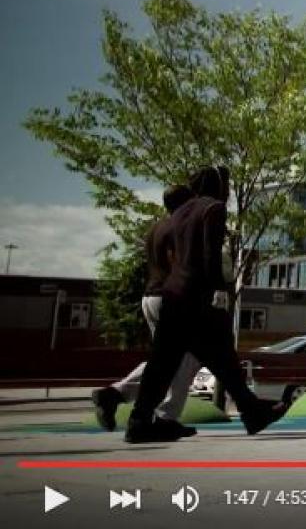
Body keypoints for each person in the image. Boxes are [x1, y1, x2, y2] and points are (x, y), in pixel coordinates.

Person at [125, 166, 288, 443]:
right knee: (217, 355)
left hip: (172, 295)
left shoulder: (179, 212)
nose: (227, 191)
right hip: (195, 295)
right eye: (225, 185)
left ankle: (140, 420)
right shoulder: (213, 208)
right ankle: (252, 411)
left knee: (170, 362)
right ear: (216, 187)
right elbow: (209, 254)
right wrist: (218, 291)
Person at [92, 184, 203, 436]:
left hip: (151, 296)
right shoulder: (180, 228)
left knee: (167, 360)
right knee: (186, 358)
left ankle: (114, 395)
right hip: (171, 297)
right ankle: (164, 416)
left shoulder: (157, 228)